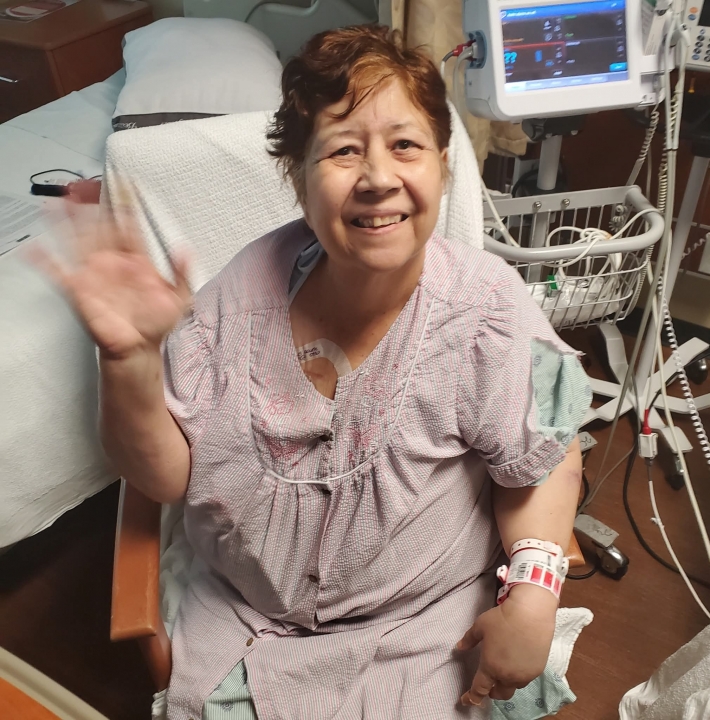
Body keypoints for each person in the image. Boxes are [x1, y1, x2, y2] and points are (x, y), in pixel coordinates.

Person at [40, 25, 591, 720]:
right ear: (297, 177)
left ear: (443, 168)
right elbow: (168, 478)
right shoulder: (236, 302)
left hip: (427, 630)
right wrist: (128, 362)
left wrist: (534, 594)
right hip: (248, 626)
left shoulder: (487, 311)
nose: (379, 178)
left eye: (405, 145)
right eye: (343, 150)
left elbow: (545, 458)